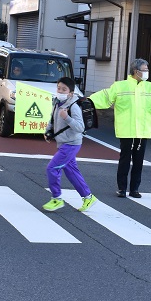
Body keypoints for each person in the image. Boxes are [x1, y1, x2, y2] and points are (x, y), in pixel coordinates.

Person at [90, 58, 151, 198]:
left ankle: (134, 189)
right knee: (125, 160)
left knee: (138, 161)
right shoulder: (120, 86)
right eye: (144, 70)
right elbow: (105, 97)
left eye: (147, 70)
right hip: (126, 130)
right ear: (136, 71)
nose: (147, 72)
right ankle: (121, 188)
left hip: (142, 131)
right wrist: (88, 101)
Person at [41, 77, 97, 213]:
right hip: (63, 143)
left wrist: (67, 118)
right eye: (59, 88)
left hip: (71, 144)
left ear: (70, 93)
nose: (60, 91)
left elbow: (80, 127)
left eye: (64, 89)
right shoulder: (57, 103)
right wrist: (48, 131)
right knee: (71, 171)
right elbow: (52, 119)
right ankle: (88, 197)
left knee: (52, 168)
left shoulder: (73, 106)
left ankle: (57, 198)